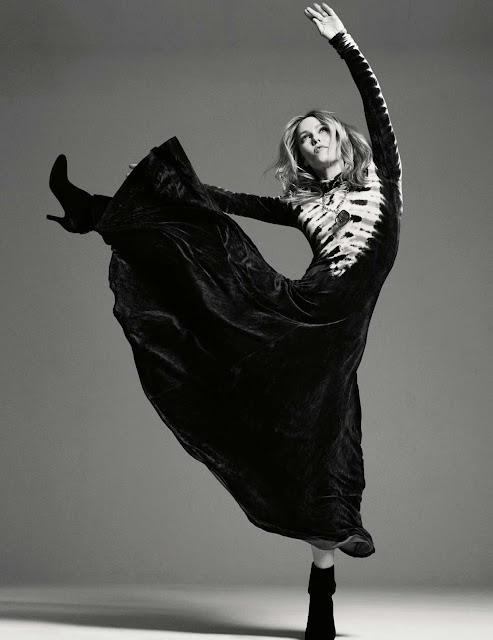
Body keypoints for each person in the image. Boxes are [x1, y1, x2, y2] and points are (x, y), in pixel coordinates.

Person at [47, 4, 401, 639]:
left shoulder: (382, 178)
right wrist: (155, 191)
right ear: (300, 157)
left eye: (320, 132)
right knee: (216, 253)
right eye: (303, 140)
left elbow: (376, 107)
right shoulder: (303, 205)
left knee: (328, 454)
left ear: (341, 138)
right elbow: (227, 202)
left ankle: (321, 602)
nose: (313, 141)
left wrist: (343, 41)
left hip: (338, 334)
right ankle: (95, 212)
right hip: (300, 311)